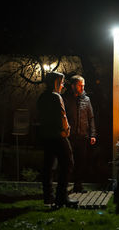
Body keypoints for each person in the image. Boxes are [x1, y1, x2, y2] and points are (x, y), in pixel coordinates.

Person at [36, 71, 78, 207]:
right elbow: (62, 115)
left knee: (48, 166)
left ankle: (48, 197)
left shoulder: (42, 97)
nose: (63, 85)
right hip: (58, 136)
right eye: (61, 82)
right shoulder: (56, 97)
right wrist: (66, 130)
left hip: (46, 136)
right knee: (67, 163)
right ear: (56, 82)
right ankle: (62, 197)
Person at [63, 75, 97, 193]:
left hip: (83, 137)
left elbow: (91, 117)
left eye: (83, 85)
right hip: (69, 137)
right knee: (68, 162)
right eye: (80, 85)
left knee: (81, 163)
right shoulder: (65, 99)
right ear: (73, 86)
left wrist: (92, 134)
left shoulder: (86, 100)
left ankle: (78, 186)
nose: (82, 87)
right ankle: (64, 186)